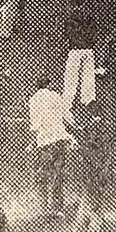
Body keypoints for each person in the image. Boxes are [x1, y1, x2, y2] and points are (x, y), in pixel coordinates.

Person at [27, 74, 74, 217]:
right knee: (57, 174)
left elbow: (34, 125)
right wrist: (73, 131)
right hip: (59, 140)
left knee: (43, 175)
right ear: (49, 84)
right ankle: (57, 208)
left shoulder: (33, 100)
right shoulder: (56, 96)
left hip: (44, 142)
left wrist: (32, 141)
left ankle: (44, 208)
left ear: (37, 86)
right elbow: (67, 116)